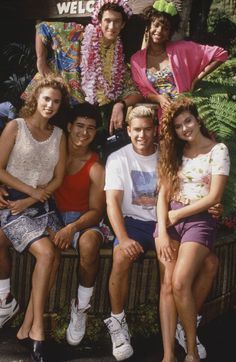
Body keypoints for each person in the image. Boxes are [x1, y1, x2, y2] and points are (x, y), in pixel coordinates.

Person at [155, 96, 230, 362]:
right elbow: (163, 194)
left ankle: (190, 351)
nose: (185, 128)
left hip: (198, 219)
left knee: (179, 282)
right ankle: (167, 355)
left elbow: (213, 198)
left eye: (188, 121)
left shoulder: (217, 150)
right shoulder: (174, 152)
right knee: (166, 286)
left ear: (197, 120)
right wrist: (162, 230)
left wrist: (178, 214)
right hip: (168, 222)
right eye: (178, 126)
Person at [0, 75, 68, 362]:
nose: (50, 105)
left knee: (54, 257)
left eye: (56, 101)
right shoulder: (16, 127)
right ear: (35, 99)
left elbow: (58, 177)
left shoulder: (60, 135)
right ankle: (37, 328)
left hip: (43, 205)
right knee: (47, 252)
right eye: (46, 99)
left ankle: (27, 325)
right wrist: (27, 194)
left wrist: (34, 197)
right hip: (13, 204)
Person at [22, 0, 143, 138]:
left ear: (122, 25)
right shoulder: (78, 33)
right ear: (99, 21)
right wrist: (41, 61)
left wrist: (120, 104)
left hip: (78, 119)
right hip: (51, 104)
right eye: (107, 20)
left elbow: (135, 92)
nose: (111, 26)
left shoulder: (118, 62)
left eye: (116, 21)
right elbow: (42, 28)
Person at [104, 106, 159, 361]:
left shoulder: (166, 156)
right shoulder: (118, 158)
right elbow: (112, 203)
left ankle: (182, 321)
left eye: (147, 129)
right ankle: (117, 321)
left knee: (177, 261)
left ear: (155, 129)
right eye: (136, 129)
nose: (142, 135)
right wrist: (124, 238)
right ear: (128, 130)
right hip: (132, 222)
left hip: (162, 224)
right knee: (120, 256)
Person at [53, 102, 106, 346]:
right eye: (80, 126)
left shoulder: (95, 167)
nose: (84, 133)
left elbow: (96, 212)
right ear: (69, 126)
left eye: (91, 129)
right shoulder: (54, 150)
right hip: (50, 215)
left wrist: (72, 228)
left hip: (82, 220)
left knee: (89, 244)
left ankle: (81, 307)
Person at [131, 0, 228, 115]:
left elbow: (221, 54)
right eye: (156, 25)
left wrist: (196, 79)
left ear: (170, 33)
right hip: (157, 118)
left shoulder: (181, 49)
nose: (159, 31)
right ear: (148, 26)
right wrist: (158, 98)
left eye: (165, 28)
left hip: (184, 112)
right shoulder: (136, 60)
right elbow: (142, 90)